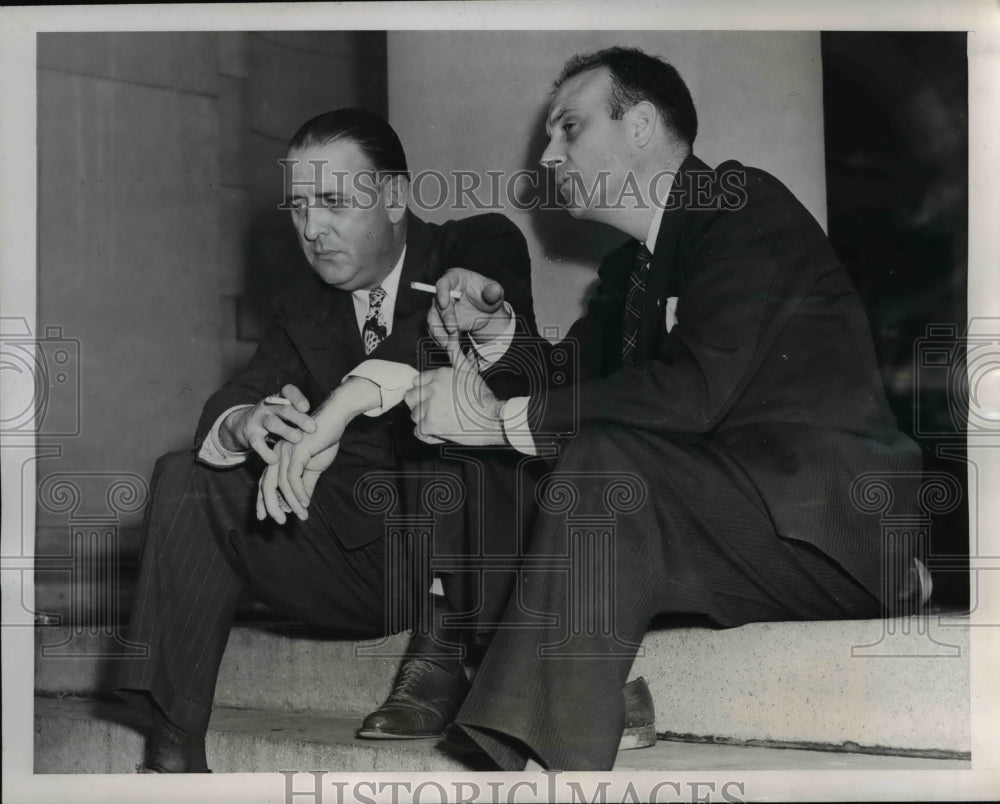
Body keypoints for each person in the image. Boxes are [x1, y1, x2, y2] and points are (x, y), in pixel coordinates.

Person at [403, 47, 929, 770]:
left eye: (568, 129)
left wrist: (499, 419)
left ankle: (529, 742)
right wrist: (496, 338)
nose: (549, 156)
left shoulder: (740, 207)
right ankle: (567, 705)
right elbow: (571, 382)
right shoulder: (632, 268)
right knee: (538, 452)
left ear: (642, 126)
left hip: (825, 533)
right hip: (722, 522)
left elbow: (695, 390)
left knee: (593, 456)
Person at [114, 107, 539, 772]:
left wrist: (337, 410)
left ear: (395, 199)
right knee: (188, 475)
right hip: (360, 563)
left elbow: (445, 331)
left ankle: (448, 651)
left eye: (334, 202)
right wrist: (249, 423)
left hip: (474, 556)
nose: (312, 230)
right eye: (299, 208)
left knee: (448, 404)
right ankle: (173, 747)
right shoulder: (302, 308)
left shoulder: (476, 246)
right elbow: (229, 401)